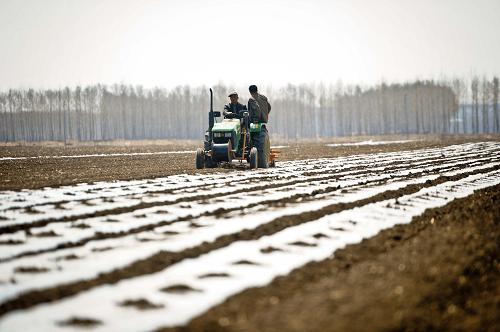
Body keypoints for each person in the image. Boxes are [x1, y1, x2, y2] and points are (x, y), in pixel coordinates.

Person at [248, 85, 271, 168]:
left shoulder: (251, 99)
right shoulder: (264, 98)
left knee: (245, 131)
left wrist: (255, 118)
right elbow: (269, 107)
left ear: (250, 92)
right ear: (257, 90)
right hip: (263, 121)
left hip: (255, 121)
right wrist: (265, 115)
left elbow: (256, 109)